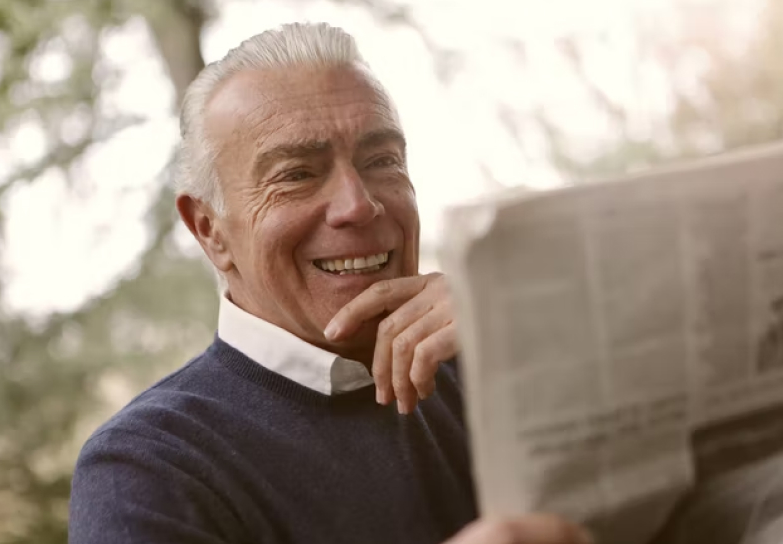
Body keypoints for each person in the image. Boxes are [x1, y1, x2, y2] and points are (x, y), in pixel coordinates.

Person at [68, 23, 591, 544]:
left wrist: (531, 341)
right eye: (297, 173)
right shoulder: (148, 467)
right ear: (210, 230)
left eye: (382, 160)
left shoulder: (497, 364)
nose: (358, 204)